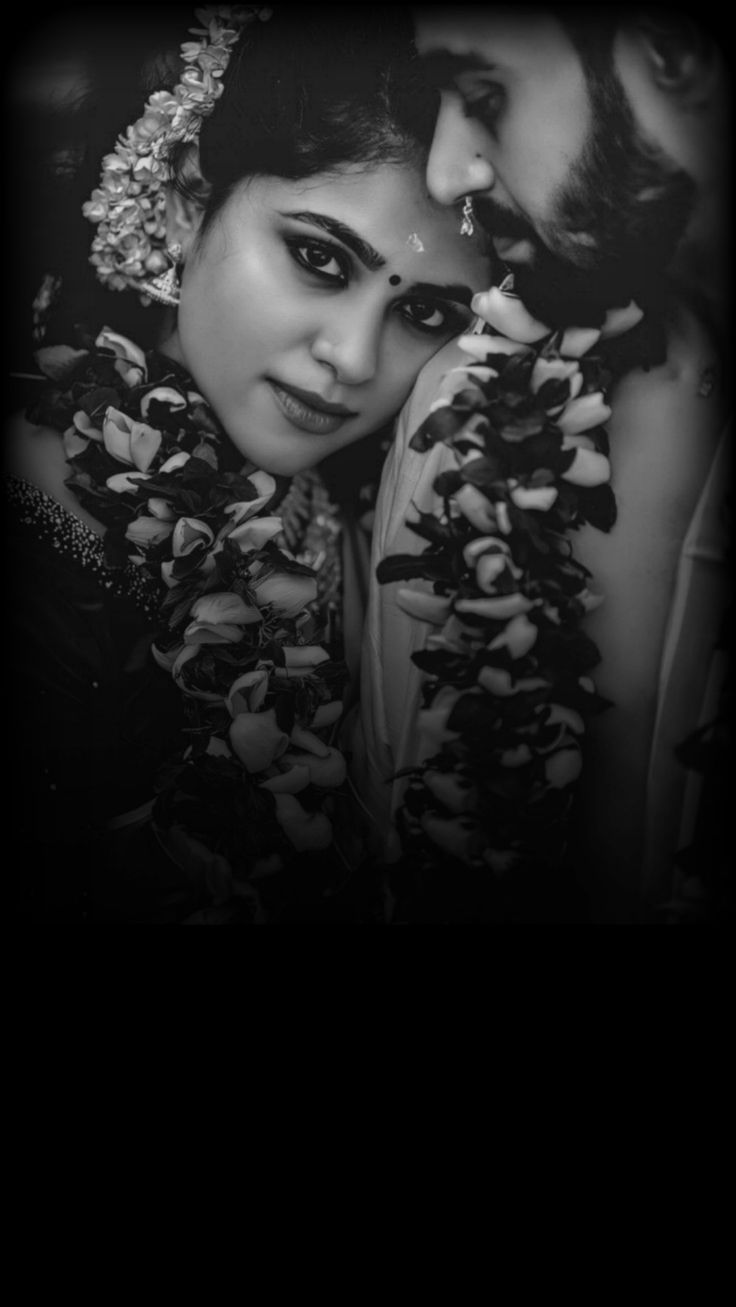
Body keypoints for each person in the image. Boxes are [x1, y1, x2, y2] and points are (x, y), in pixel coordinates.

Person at [5, 5, 490, 924]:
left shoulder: (348, 513)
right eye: (317, 257)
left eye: (425, 315)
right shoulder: (42, 504)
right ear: (191, 201)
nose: (351, 359)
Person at [355, 6, 731, 923]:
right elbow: (400, 827)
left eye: (486, 94)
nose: (450, 175)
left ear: (677, 50)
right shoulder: (471, 399)